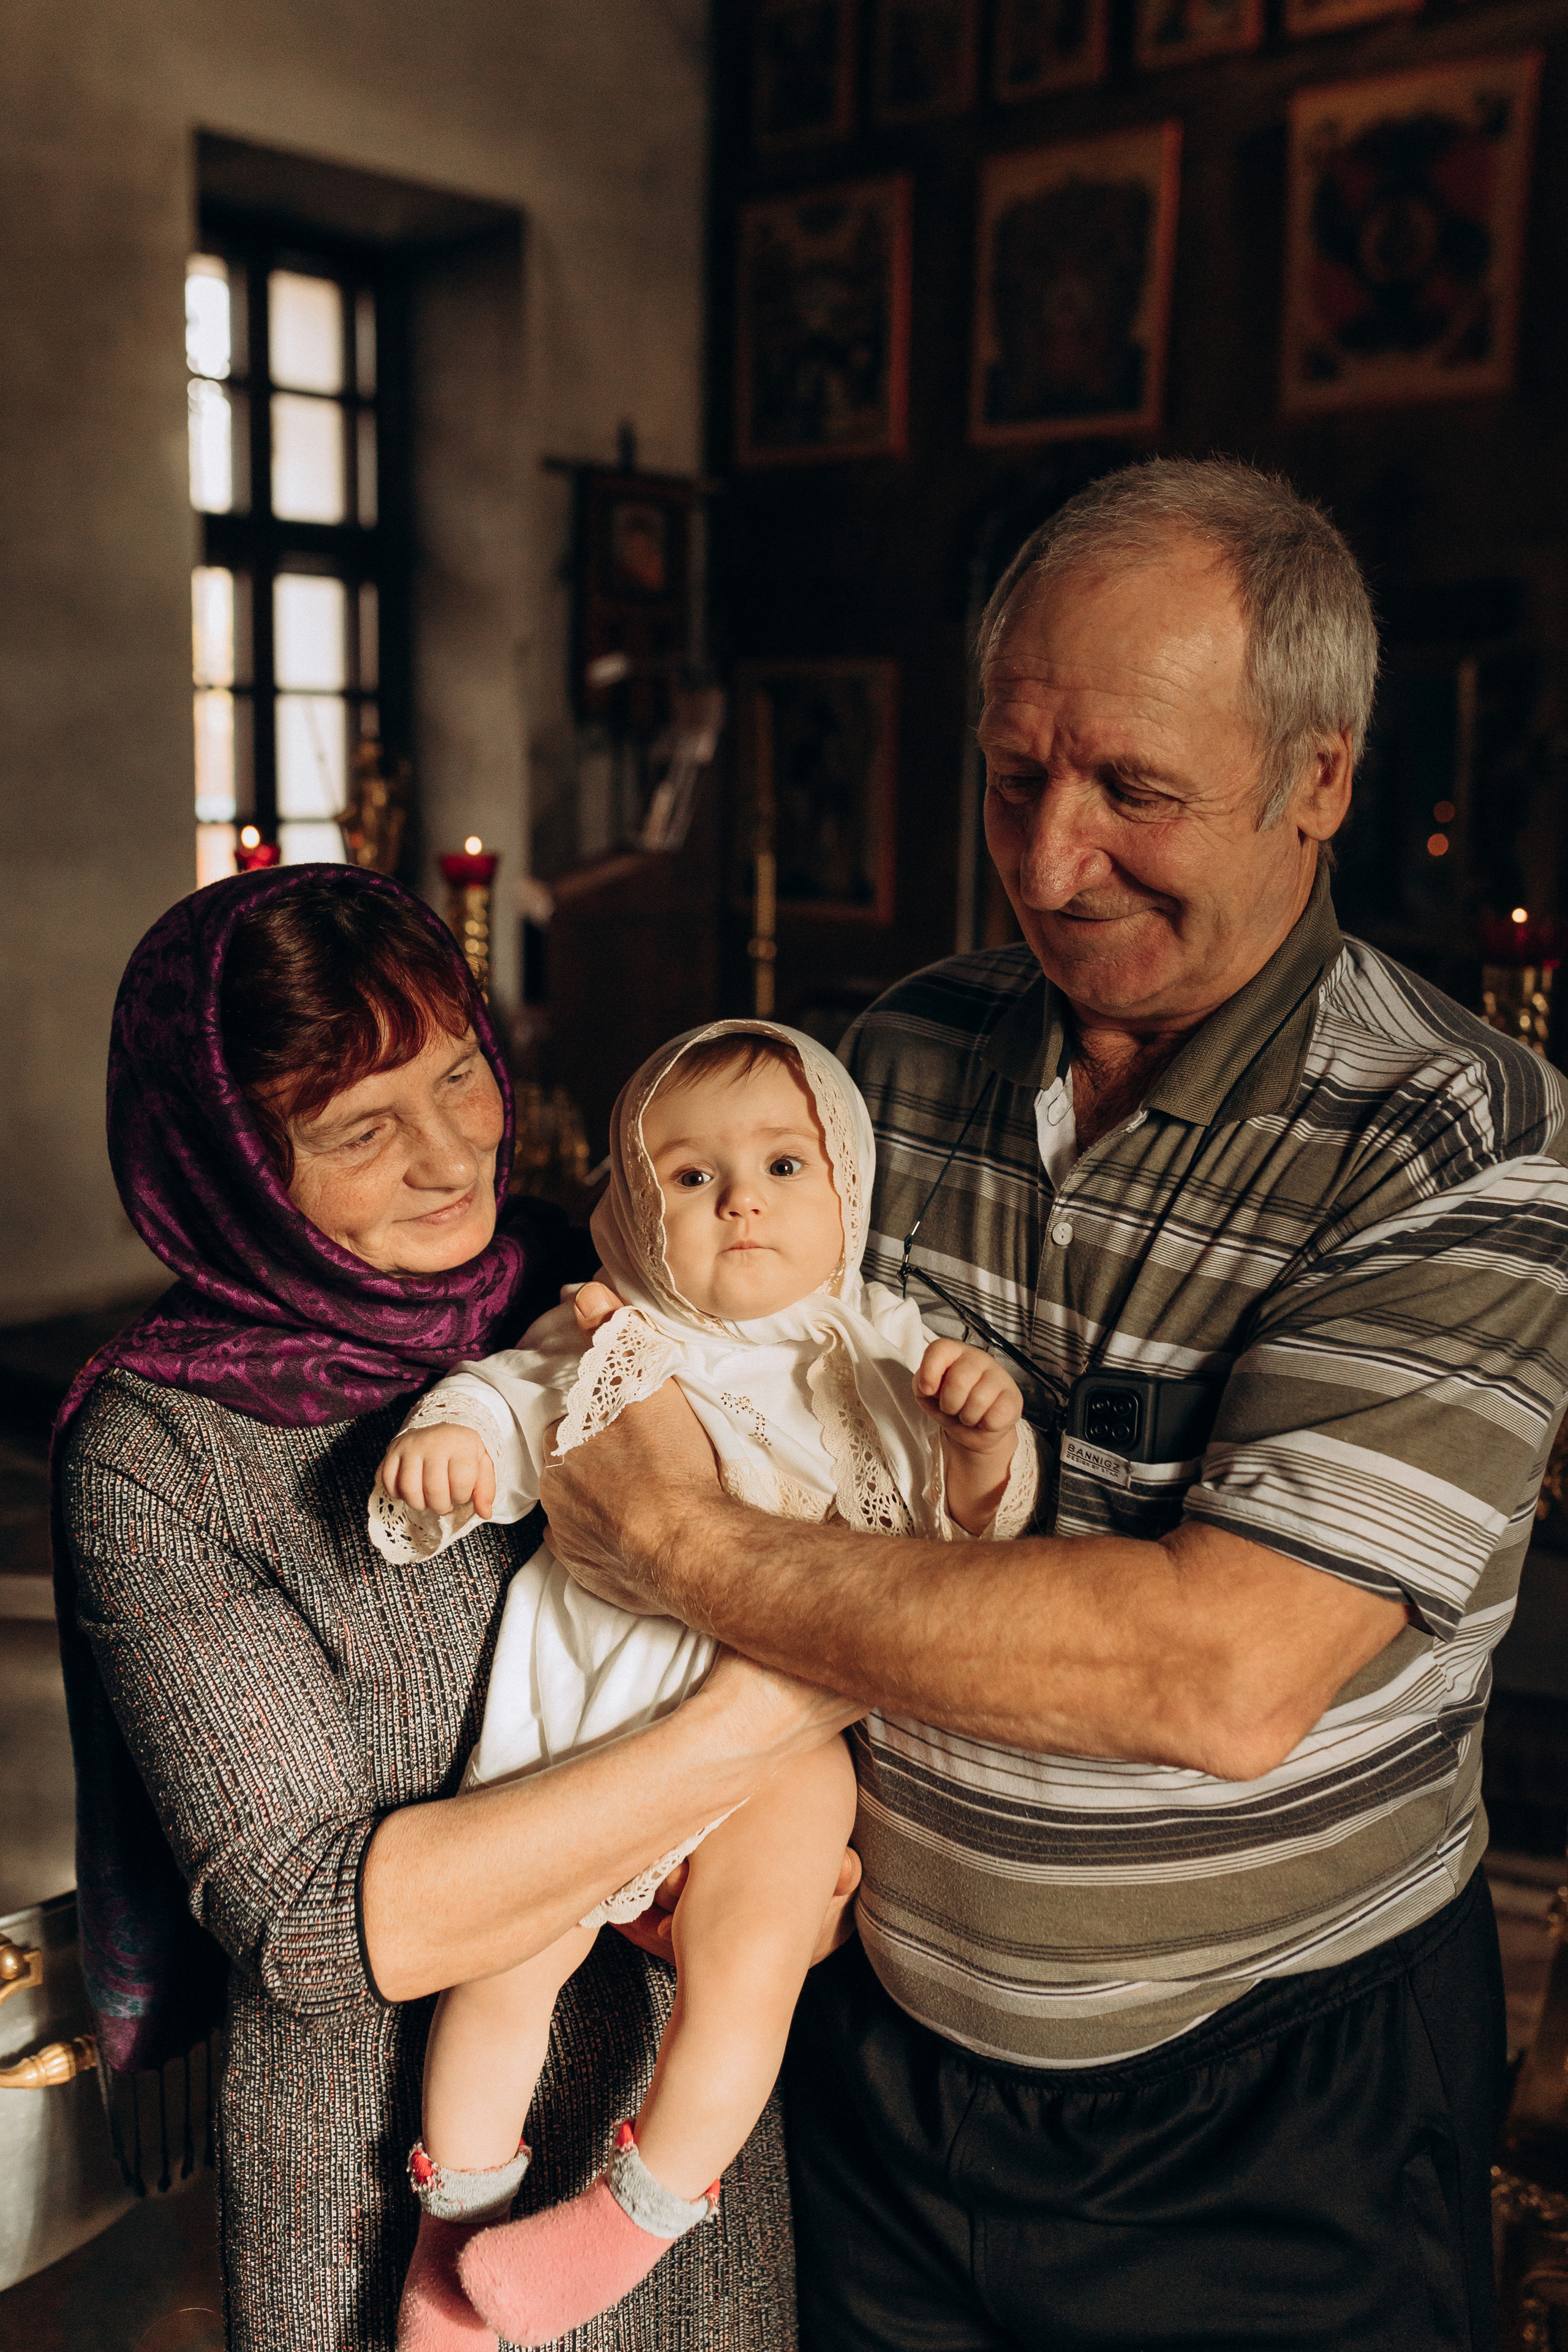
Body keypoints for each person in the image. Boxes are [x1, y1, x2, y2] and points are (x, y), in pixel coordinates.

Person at [537, 458, 1568, 2351]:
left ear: (1319, 778)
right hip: (877, 2069)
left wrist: (683, 1541)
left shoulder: (1458, 1143)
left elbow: (1223, 1674)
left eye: (1135, 794)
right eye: (1014, 778)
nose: (1048, 858)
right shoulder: (893, 1061)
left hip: (1274, 2111)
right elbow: (673, 1323)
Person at [56, 867, 855, 2352]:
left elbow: (825, 1493)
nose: (447, 1157)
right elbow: (307, 1923)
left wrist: (790, 1879)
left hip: (672, 2164)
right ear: (229, 1164)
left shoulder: (599, 1289)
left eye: (456, 1077)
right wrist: (769, 1715)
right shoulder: (164, 1454)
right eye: (362, 1131)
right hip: (377, 2205)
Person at [372, 1021, 1036, 2349]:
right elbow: (506, 1407)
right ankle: (450, 2255)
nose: (740, 1199)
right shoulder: (614, 1343)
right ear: (630, 1201)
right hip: (594, 1717)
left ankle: (628, 2221)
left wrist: (983, 1436)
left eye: (786, 1164)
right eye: (689, 1176)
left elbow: (971, 1537)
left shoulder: (885, 1344)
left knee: (750, 1968)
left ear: (848, 1184)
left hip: (790, 1740)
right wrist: (448, 1440)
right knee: (507, 1966)